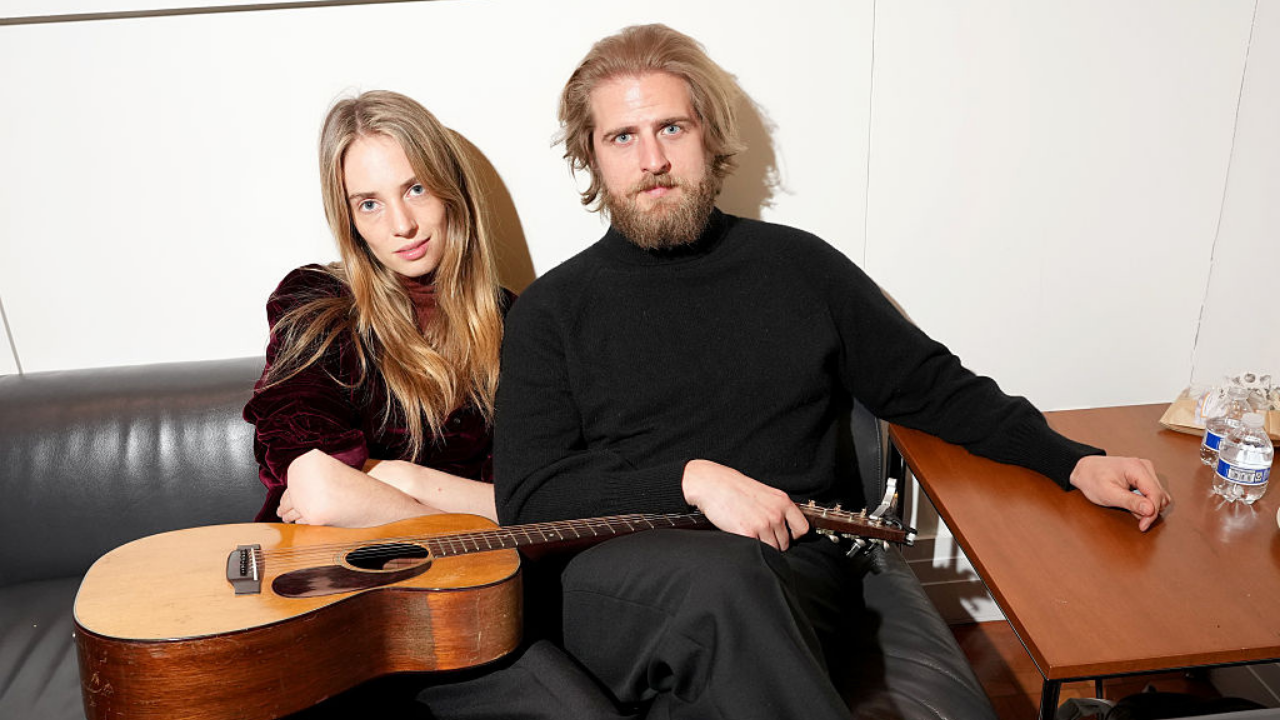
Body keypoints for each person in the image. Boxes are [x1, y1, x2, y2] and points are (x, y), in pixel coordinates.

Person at [493, 24, 1173, 720]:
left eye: (672, 127)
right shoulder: (551, 311)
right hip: (620, 581)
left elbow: (929, 386)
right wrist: (692, 480)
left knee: (730, 618)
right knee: (724, 582)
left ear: (709, 136)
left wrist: (1071, 460)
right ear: (592, 156)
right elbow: (529, 496)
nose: (653, 159)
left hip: (791, 566)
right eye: (622, 137)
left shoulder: (798, 267)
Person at [244, 90, 625, 719]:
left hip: (471, 611)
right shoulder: (317, 302)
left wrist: (400, 480)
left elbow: (535, 503)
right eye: (369, 203)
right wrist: (472, 529)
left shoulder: (515, 322)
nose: (402, 225)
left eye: (416, 189)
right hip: (334, 608)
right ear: (349, 218)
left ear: (450, 191)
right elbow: (315, 485)